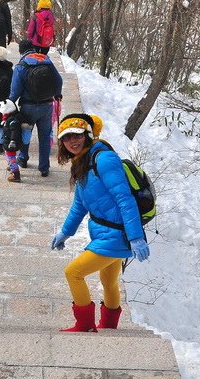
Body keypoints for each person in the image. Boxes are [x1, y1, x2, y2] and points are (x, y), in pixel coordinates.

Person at [50, 113, 150, 332]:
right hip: (105, 233)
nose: (72, 141)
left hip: (115, 235)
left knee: (73, 272)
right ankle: (108, 327)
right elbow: (80, 205)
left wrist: (136, 237)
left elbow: (125, 199)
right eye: (66, 138)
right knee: (108, 281)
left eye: (77, 135)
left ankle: (85, 325)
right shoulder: (82, 162)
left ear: (87, 134)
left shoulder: (103, 159)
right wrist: (65, 233)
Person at [9, 39, 63, 177]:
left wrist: (9, 104)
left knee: (25, 133)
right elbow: (59, 80)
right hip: (47, 105)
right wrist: (57, 95)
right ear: (33, 48)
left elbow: (15, 91)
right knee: (45, 136)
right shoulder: (46, 60)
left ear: (21, 51)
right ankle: (44, 167)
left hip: (28, 106)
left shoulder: (21, 65)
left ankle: (23, 158)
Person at [0, 99, 26, 182]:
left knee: (11, 157)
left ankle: (16, 174)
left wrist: (13, 141)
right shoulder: (9, 118)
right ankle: (11, 165)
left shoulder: (12, 121)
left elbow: (14, 132)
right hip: (8, 142)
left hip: (11, 143)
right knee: (9, 156)